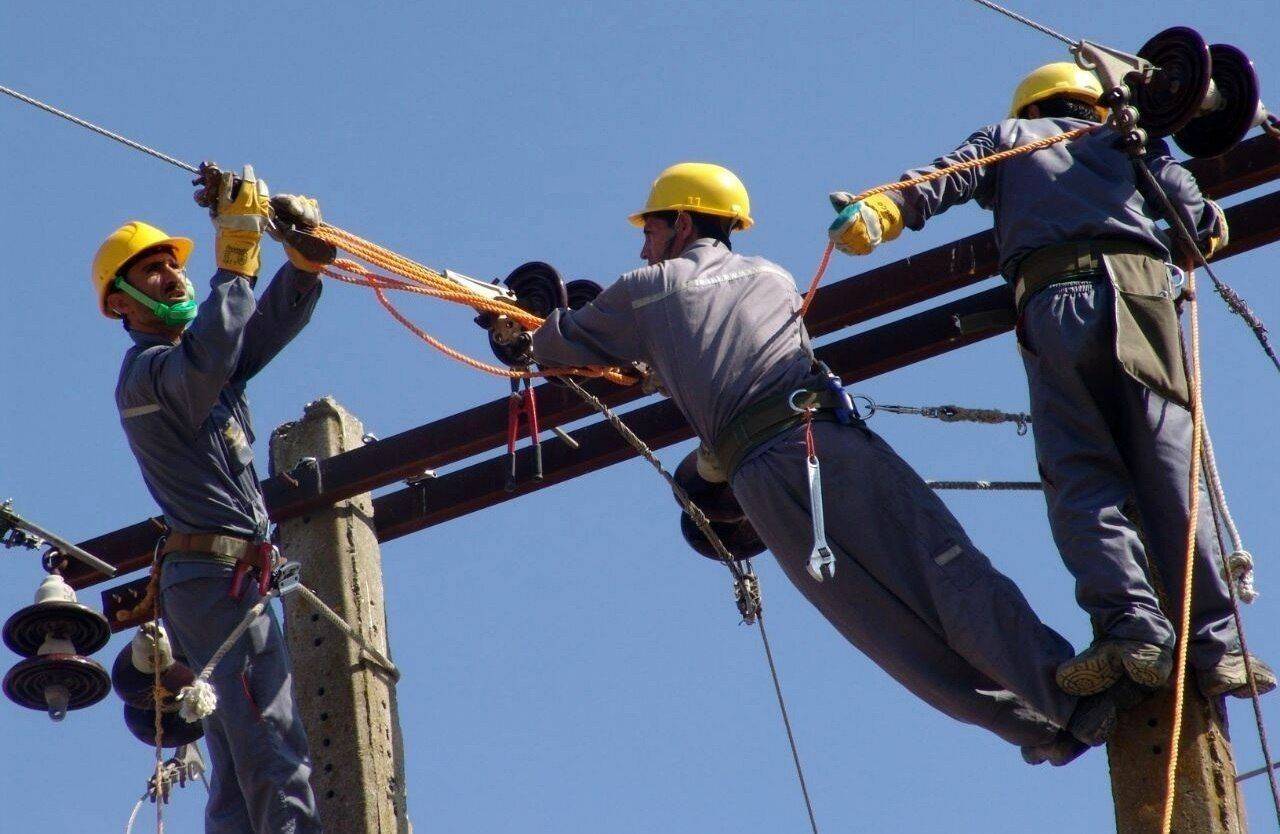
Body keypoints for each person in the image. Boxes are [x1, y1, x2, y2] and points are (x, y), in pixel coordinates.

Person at [523, 161, 1116, 766]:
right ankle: (1068, 698)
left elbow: (548, 345)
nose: (642, 245)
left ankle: (1043, 730)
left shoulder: (645, 290)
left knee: (887, 632)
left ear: (680, 221)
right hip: (819, 441)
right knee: (942, 572)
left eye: (649, 229)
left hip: (759, 482)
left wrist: (513, 321)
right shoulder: (772, 278)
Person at [827, 62, 1274, 703]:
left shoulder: (1008, 138)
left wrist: (878, 214)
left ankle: (1132, 632)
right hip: (1141, 303)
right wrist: (1204, 216)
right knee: (1170, 474)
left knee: (1081, 477)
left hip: (1052, 304)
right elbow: (1197, 222)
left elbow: (935, 183)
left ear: (1031, 107)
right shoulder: (1130, 136)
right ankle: (1218, 646)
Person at [93, 165, 336, 832]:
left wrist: (302, 264)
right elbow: (218, 347)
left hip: (216, 582)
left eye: (174, 266)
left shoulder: (196, 366)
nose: (172, 277)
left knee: (237, 763)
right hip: (214, 582)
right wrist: (235, 253)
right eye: (152, 273)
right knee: (269, 746)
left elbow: (246, 338)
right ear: (119, 303)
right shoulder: (149, 377)